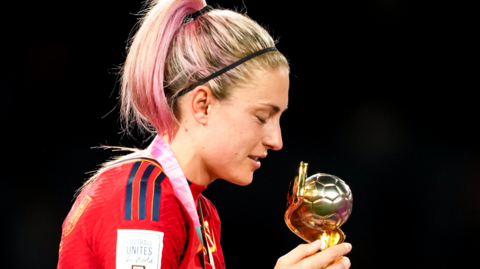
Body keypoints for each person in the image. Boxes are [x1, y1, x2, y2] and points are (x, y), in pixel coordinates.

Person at [57, 0, 352, 268]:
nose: (276, 141)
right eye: (261, 117)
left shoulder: (202, 214)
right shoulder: (144, 201)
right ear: (203, 105)